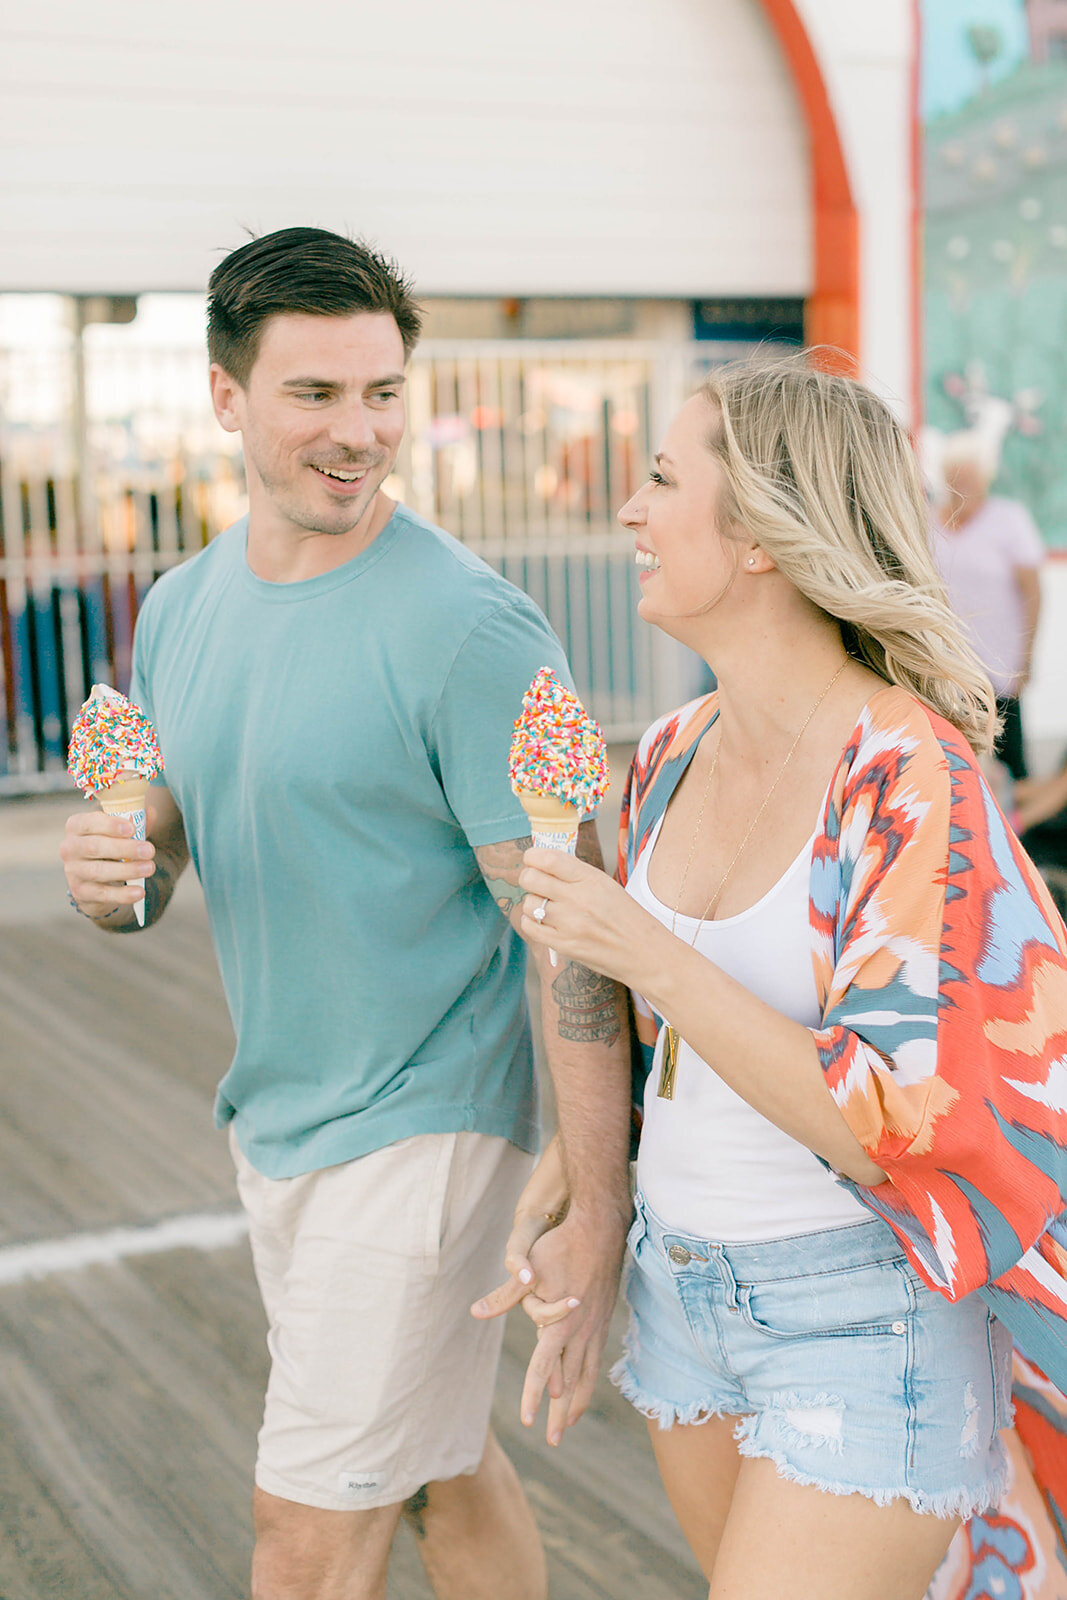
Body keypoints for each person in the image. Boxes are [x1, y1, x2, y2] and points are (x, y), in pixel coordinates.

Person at [60, 227, 632, 1600]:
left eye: (382, 393)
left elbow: (574, 924)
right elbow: (159, 847)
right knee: (437, 1468)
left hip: (422, 1127)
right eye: (316, 393)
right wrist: (113, 882)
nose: (359, 430)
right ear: (226, 398)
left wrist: (593, 1196)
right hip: (278, 1116)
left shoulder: (470, 630)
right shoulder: (183, 610)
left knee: (304, 1532)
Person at [476, 355, 1067, 1600]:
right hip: (680, 1294)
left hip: (859, 1314)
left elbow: (891, 1125)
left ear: (756, 533)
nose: (627, 514)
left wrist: (632, 944)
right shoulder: (673, 750)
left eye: (657, 481)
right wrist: (585, 1187)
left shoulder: (905, 775)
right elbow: (670, 1053)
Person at [930, 442, 1044, 782]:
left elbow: (1034, 591)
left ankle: (1020, 830)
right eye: (955, 474)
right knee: (950, 760)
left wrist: (1026, 656)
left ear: (985, 479)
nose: (962, 482)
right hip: (943, 663)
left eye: (970, 474)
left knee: (1010, 761)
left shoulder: (1009, 519)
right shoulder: (928, 519)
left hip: (998, 663)